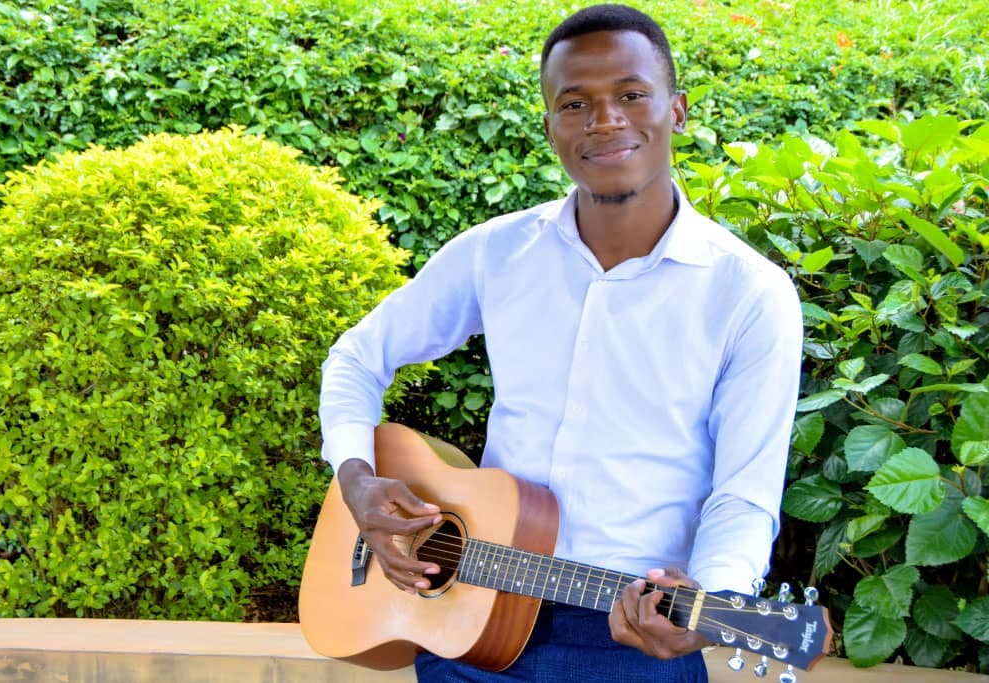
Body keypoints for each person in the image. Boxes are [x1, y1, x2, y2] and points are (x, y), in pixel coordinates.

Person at [318, 3, 803, 681]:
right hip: (463, 614)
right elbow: (356, 358)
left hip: (625, 638)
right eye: (575, 103)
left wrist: (710, 601)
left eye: (632, 95)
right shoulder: (496, 253)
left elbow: (743, 494)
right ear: (549, 126)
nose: (605, 120)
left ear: (678, 110)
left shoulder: (750, 293)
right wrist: (358, 481)